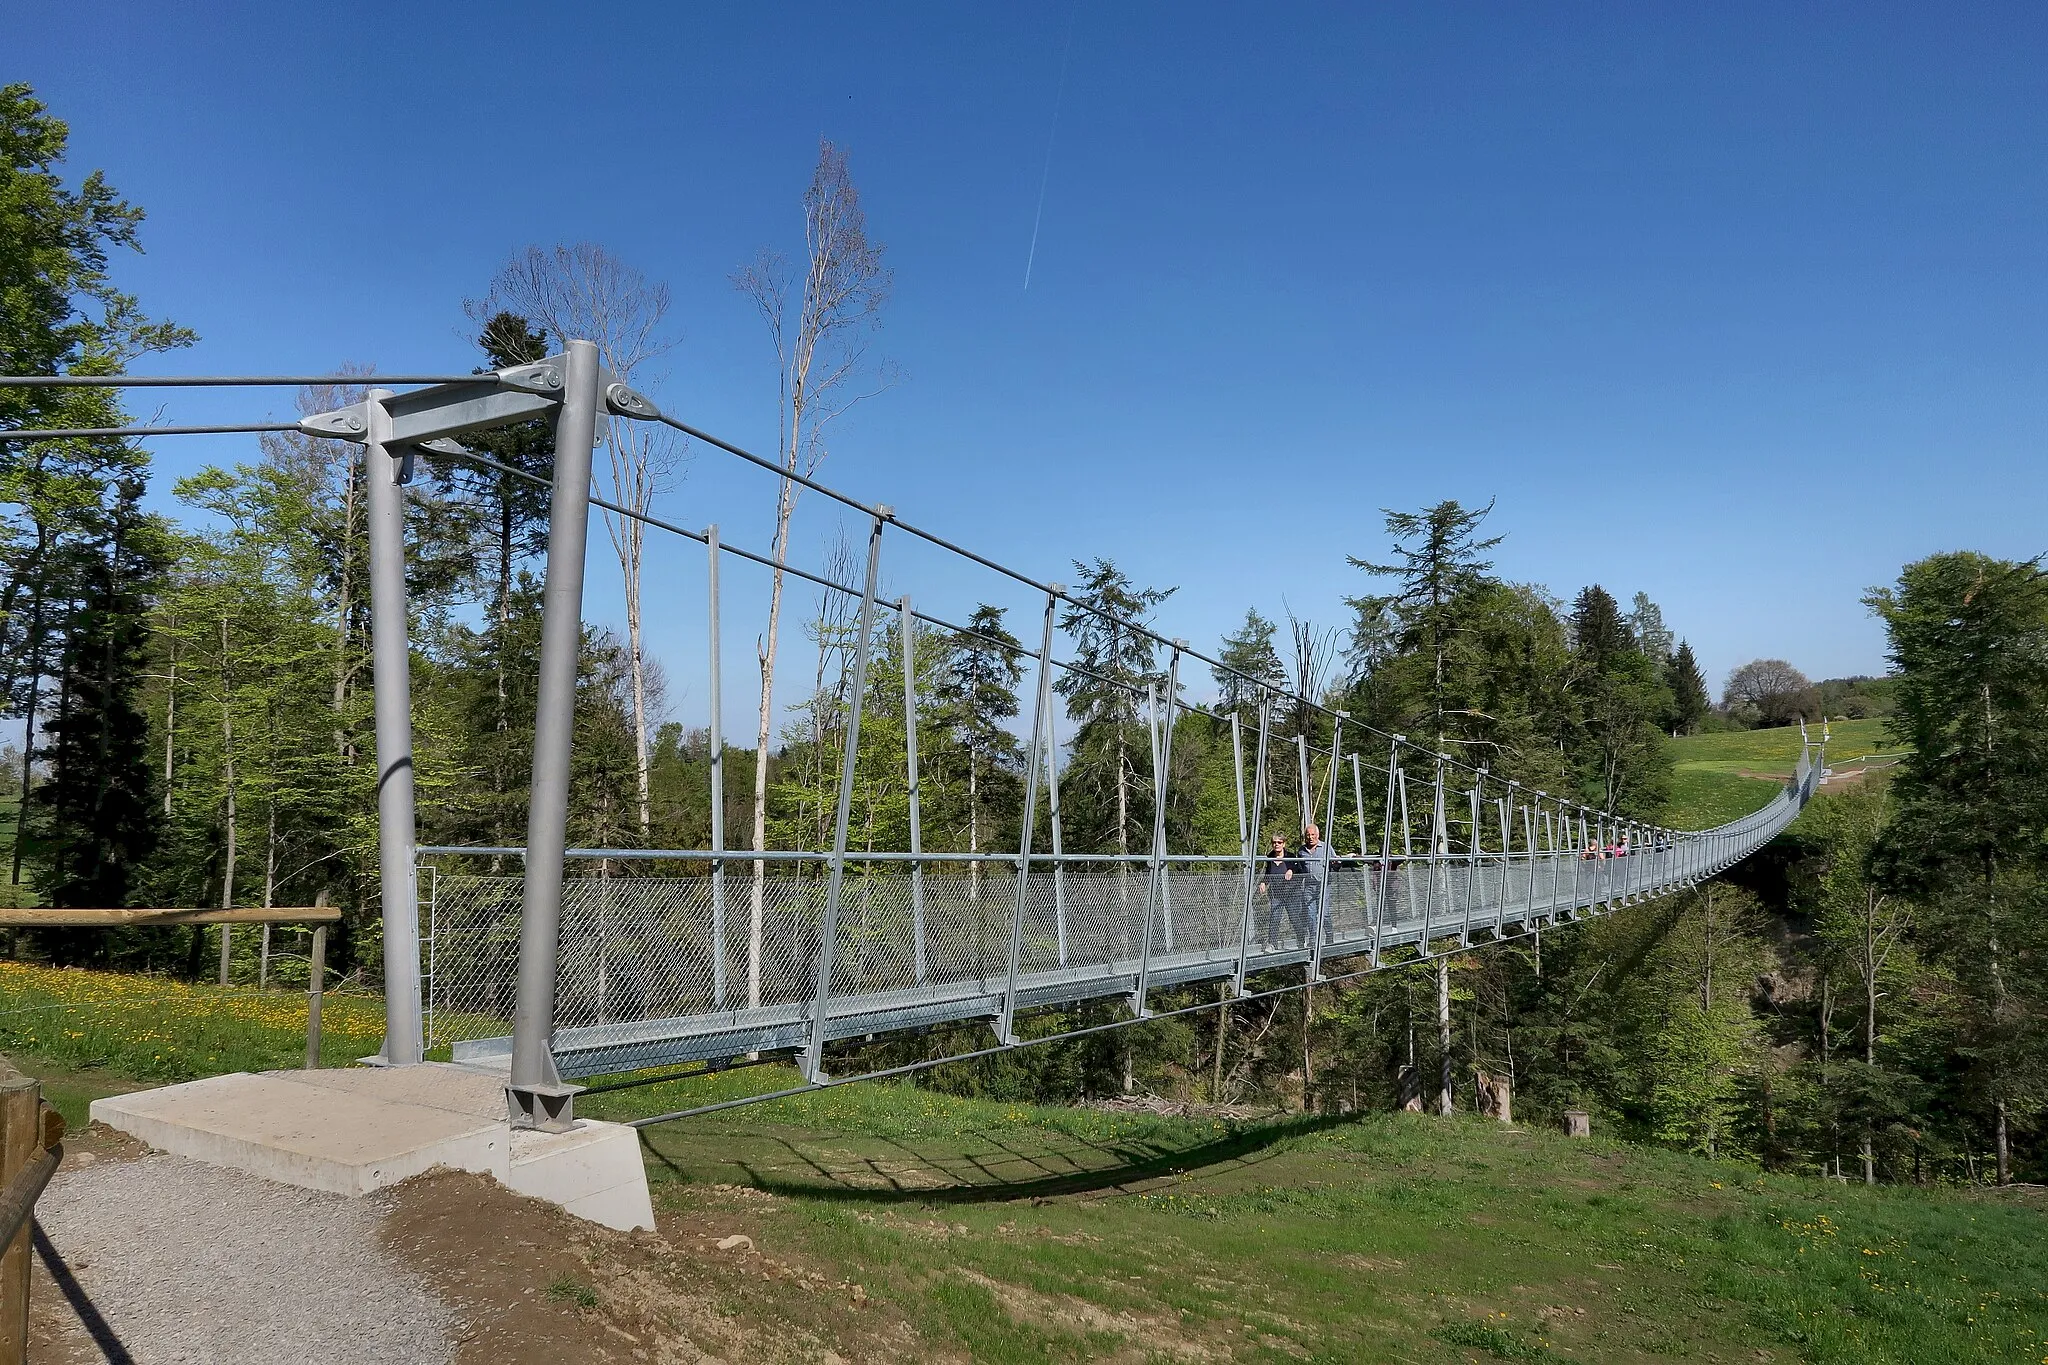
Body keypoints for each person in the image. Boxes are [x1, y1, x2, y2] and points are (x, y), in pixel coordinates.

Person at [1257, 834, 1298, 947]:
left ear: (1283, 844)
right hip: (1276, 894)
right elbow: (1268, 873)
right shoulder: (1270, 857)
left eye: (1279, 842)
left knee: (1294, 918)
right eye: (1274, 842)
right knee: (1274, 919)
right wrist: (1264, 882)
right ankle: (1272, 944)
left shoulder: (1290, 856)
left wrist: (1291, 870)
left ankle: (1301, 939)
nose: (1276, 844)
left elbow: (1298, 868)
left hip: (1291, 894)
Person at [1296, 822, 1327, 947]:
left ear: (1318, 835)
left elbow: (1336, 861)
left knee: (1325, 913)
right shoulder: (1301, 850)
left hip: (1324, 885)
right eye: (1308, 835)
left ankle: (1329, 935)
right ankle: (1313, 938)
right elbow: (1299, 867)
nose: (1310, 837)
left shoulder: (1325, 847)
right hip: (1309, 885)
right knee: (1310, 913)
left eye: (1313, 834)